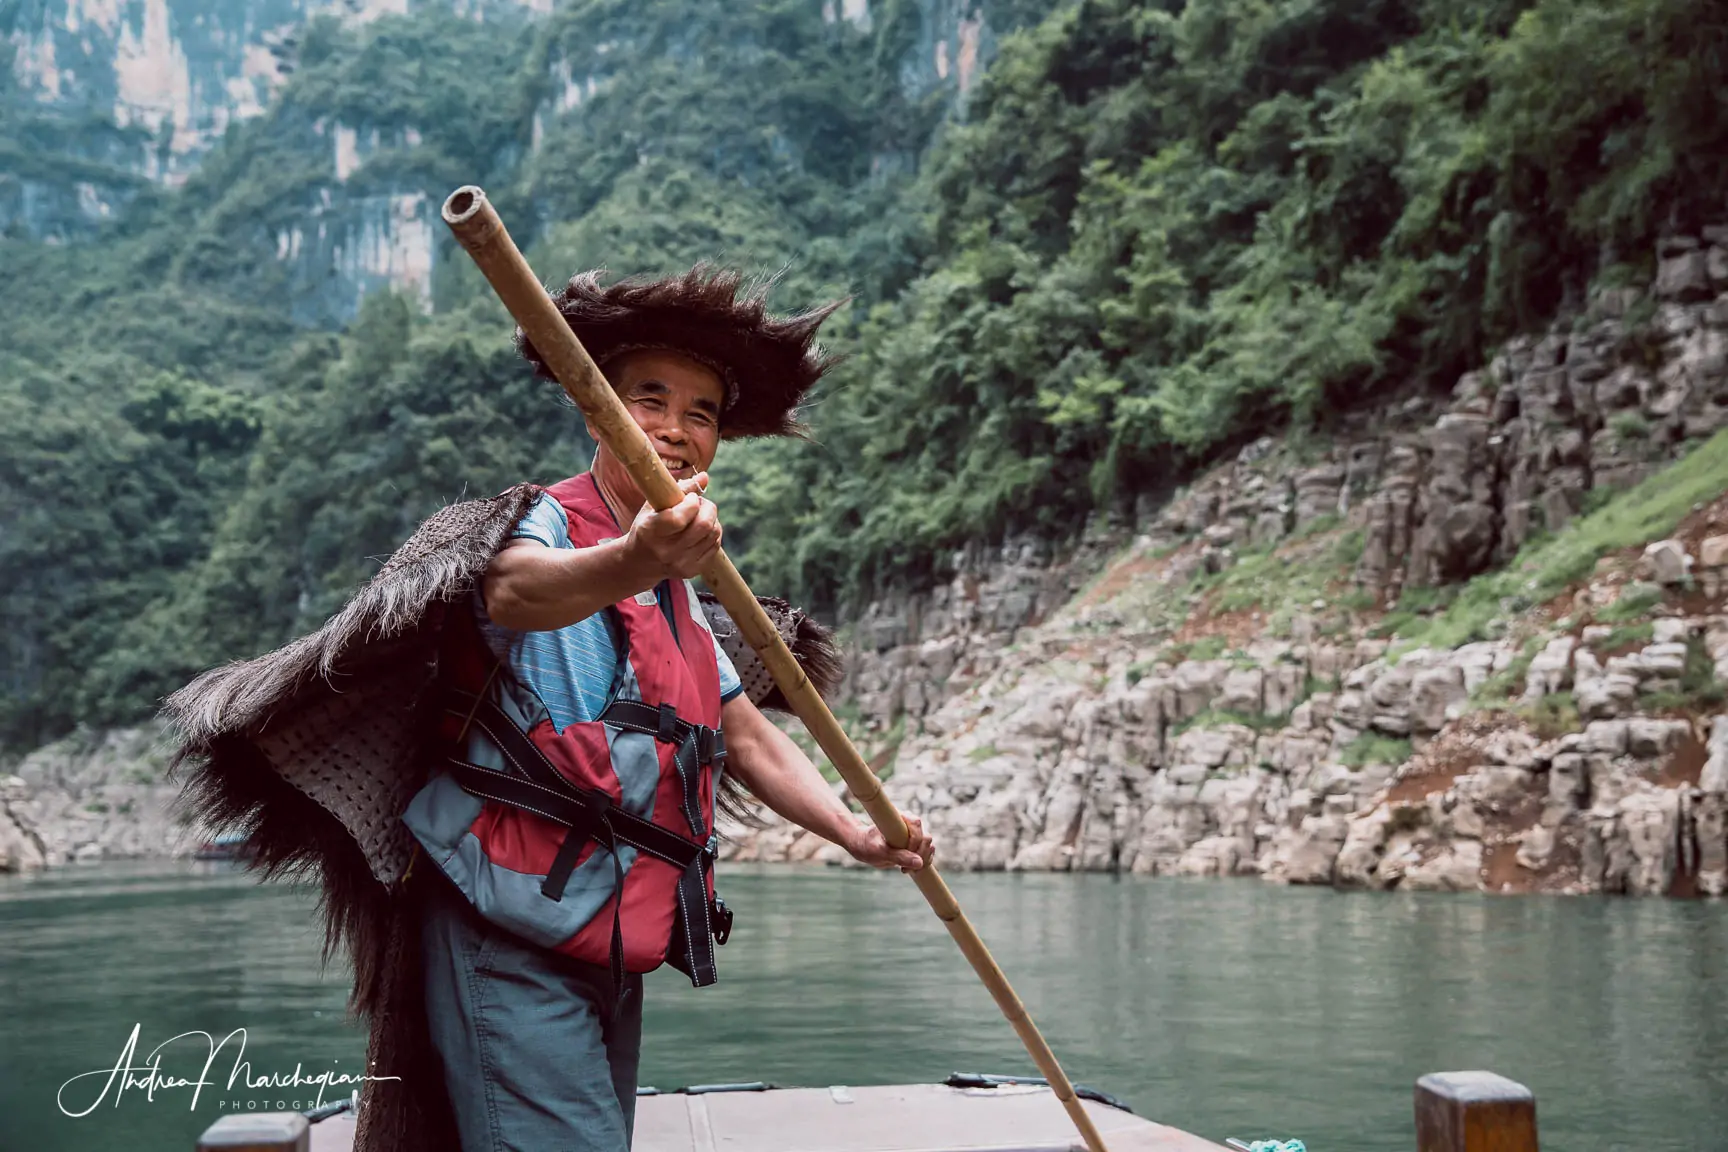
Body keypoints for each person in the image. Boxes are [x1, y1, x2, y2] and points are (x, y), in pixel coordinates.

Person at [398, 266, 935, 1152]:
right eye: (649, 400)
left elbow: (744, 733)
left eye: (701, 414)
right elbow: (515, 594)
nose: (675, 431)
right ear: (595, 406)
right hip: (510, 926)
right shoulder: (549, 525)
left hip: (607, 936)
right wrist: (639, 557)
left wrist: (852, 832)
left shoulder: (685, 595)